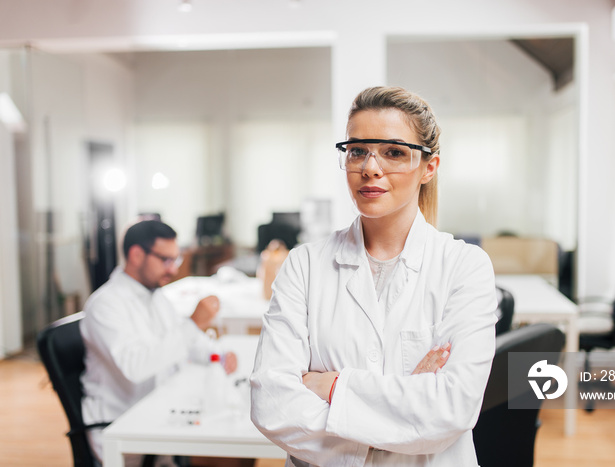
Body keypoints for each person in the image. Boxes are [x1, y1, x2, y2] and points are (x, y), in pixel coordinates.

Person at [250, 86, 497, 466]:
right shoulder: (304, 266)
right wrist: (406, 416)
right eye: (357, 151)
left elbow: (453, 408)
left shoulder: (465, 266)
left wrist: (331, 386)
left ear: (428, 167)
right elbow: (272, 404)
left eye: (394, 152)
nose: (370, 167)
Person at [80, 219, 238, 465]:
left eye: (175, 260)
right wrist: (194, 323)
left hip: (157, 415)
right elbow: (136, 367)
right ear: (136, 254)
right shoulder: (105, 305)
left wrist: (216, 355)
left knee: (232, 433)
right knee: (227, 452)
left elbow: (185, 343)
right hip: (123, 429)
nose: (173, 269)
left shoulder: (156, 296)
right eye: (165, 260)